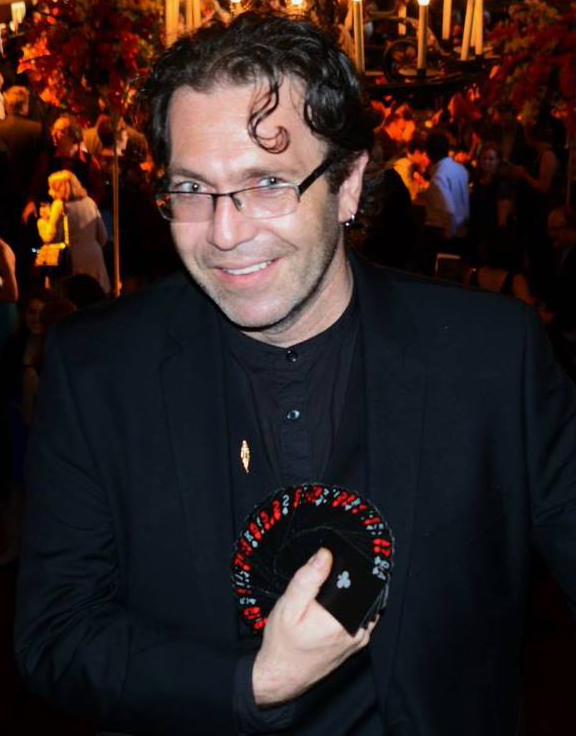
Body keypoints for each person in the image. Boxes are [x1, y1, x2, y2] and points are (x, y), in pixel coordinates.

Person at [15, 12, 576, 735]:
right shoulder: (96, 370)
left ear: (348, 186)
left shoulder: (493, 356)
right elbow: (56, 635)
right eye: (191, 189)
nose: (225, 233)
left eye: (268, 183)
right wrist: (254, 683)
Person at [38, 170, 110, 294]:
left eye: (52, 188)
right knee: (96, 294)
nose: (50, 192)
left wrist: (42, 222)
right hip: (94, 256)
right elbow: (103, 237)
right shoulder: (90, 202)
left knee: (75, 295)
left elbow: (51, 237)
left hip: (73, 259)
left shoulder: (59, 205)